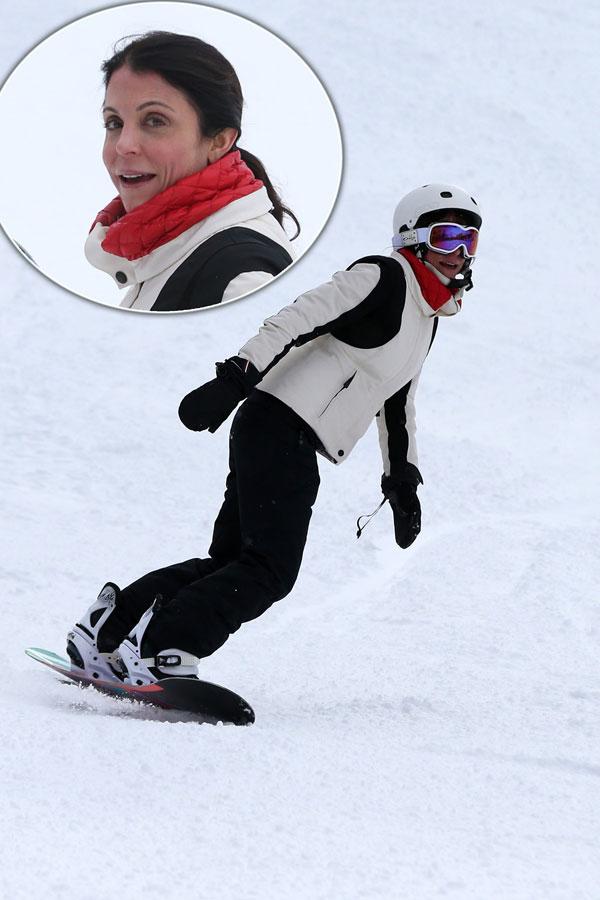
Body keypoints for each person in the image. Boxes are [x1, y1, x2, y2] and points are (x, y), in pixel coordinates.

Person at [67, 183, 482, 684]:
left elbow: (398, 405)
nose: (459, 252)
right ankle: (163, 648)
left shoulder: (426, 318)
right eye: (448, 236)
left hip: (281, 432)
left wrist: (402, 480)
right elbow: (297, 319)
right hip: (280, 424)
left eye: (471, 240)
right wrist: (235, 377)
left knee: (232, 561)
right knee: (269, 569)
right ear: (413, 237)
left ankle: (108, 628)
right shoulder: (382, 276)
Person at [84, 31, 299, 312]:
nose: (124, 145)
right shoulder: (167, 248)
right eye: (114, 123)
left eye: (155, 121)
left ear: (220, 140)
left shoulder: (243, 275)